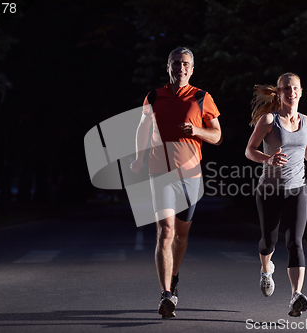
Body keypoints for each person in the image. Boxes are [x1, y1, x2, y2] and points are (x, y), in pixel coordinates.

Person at [130, 47, 222, 319]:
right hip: (160, 173)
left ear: (191, 69)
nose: (180, 67)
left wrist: (197, 131)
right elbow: (142, 130)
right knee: (165, 231)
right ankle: (166, 293)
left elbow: (217, 136)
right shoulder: (153, 96)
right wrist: (138, 158)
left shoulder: (202, 97)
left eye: (185, 64)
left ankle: (175, 275)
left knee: (181, 235)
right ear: (167, 67)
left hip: (191, 176)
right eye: (175, 63)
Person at [245, 72, 307, 317]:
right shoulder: (269, 120)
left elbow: (306, 145)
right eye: (286, 88)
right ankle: (266, 270)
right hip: (269, 190)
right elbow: (249, 150)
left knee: (295, 242)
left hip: (297, 189)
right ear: (279, 93)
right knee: (269, 242)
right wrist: (268, 158)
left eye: (295, 88)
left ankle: (295, 296)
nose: (291, 92)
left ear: (301, 92)